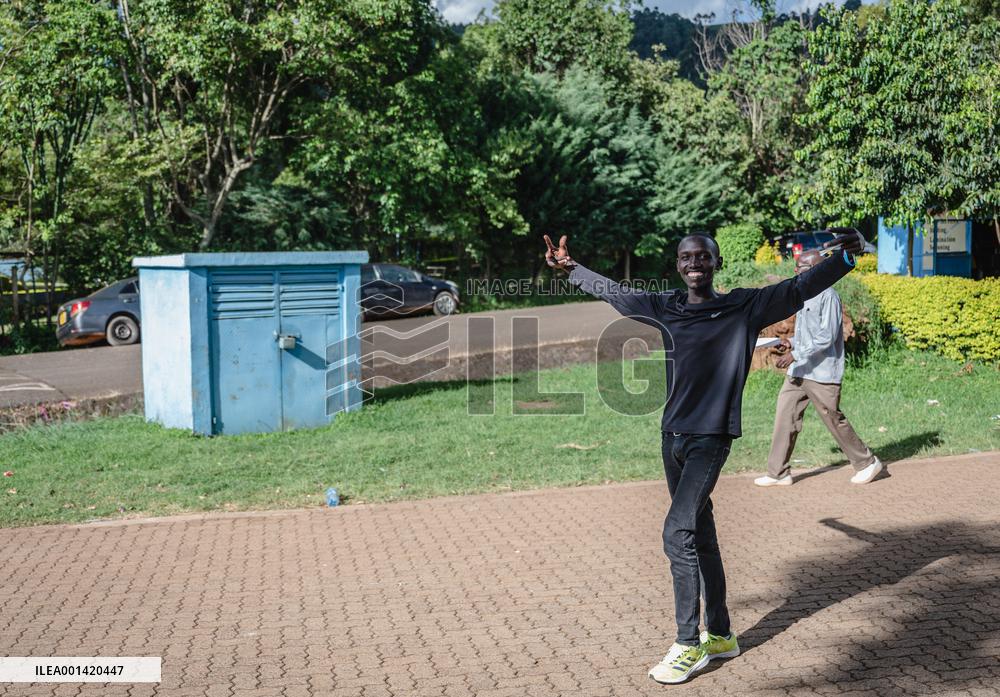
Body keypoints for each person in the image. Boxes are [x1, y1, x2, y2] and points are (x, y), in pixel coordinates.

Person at [543, 229, 866, 685]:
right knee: (703, 534)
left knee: (677, 532)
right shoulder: (666, 306)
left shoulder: (744, 307)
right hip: (671, 437)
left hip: (710, 439)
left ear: (715, 263)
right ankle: (721, 634)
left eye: (702, 256)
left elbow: (798, 289)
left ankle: (687, 644)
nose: (694, 262)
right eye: (685, 256)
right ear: (678, 264)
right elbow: (618, 294)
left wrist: (846, 258)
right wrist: (572, 269)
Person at [754, 250, 883, 487]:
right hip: (800, 370)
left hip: (821, 372)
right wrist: (790, 342)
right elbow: (807, 333)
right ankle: (778, 472)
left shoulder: (828, 296)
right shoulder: (803, 295)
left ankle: (867, 463)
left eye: (800, 268)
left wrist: (795, 354)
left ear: (816, 269)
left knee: (833, 417)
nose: (795, 271)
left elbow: (827, 336)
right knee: (785, 415)